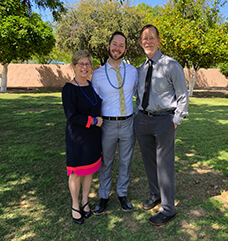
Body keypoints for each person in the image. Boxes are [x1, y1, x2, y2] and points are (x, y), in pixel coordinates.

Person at [134, 25, 189, 226]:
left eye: (151, 38)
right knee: (149, 162)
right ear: (140, 43)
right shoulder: (141, 68)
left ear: (159, 41)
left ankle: (168, 209)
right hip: (143, 120)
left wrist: (175, 121)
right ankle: (155, 194)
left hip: (164, 120)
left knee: (164, 165)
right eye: (144, 39)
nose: (147, 42)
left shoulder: (171, 65)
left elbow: (183, 95)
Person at [91, 31, 138, 215]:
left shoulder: (133, 71)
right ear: (108, 46)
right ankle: (103, 196)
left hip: (128, 123)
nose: (117, 48)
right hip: (107, 125)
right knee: (106, 162)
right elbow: (94, 102)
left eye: (121, 45)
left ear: (125, 50)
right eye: (114, 44)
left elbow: (138, 94)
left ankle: (122, 194)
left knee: (126, 161)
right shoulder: (98, 74)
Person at [62, 50, 103, 224]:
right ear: (74, 66)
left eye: (87, 64)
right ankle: (75, 205)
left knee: (89, 171)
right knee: (76, 173)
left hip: (93, 137)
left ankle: (85, 202)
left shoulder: (92, 85)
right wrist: (94, 120)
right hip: (77, 138)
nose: (85, 67)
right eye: (81, 64)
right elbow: (71, 116)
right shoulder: (69, 88)